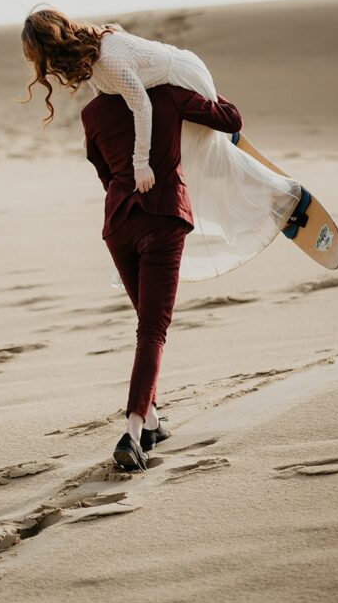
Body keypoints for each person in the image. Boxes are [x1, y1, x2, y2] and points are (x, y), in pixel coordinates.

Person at [20, 6, 302, 291]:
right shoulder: (89, 54)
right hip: (160, 83)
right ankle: (218, 139)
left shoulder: (108, 60)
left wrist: (140, 163)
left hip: (182, 77)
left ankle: (276, 194)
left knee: (192, 166)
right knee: (187, 164)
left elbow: (142, 106)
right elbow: (107, 92)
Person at [80, 82, 244, 470]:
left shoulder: (92, 112)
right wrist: (201, 82)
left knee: (146, 326)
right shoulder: (168, 94)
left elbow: (103, 171)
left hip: (118, 224)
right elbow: (231, 119)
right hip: (163, 217)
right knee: (152, 330)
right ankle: (133, 432)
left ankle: (152, 422)